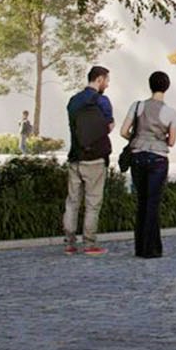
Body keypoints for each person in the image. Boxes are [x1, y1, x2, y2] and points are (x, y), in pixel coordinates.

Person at [122, 71, 176, 259]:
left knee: (141, 201)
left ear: (150, 85)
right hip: (158, 158)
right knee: (153, 203)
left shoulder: (137, 106)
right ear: (166, 87)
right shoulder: (171, 112)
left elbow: (123, 131)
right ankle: (152, 248)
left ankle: (139, 247)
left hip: (138, 156)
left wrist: (138, 139)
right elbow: (172, 142)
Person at [64, 66, 114, 256]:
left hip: (75, 157)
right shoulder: (102, 101)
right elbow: (108, 126)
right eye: (107, 81)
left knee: (72, 202)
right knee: (93, 203)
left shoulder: (73, 101)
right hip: (94, 159)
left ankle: (69, 243)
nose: (107, 85)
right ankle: (89, 243)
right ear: (99, 79)